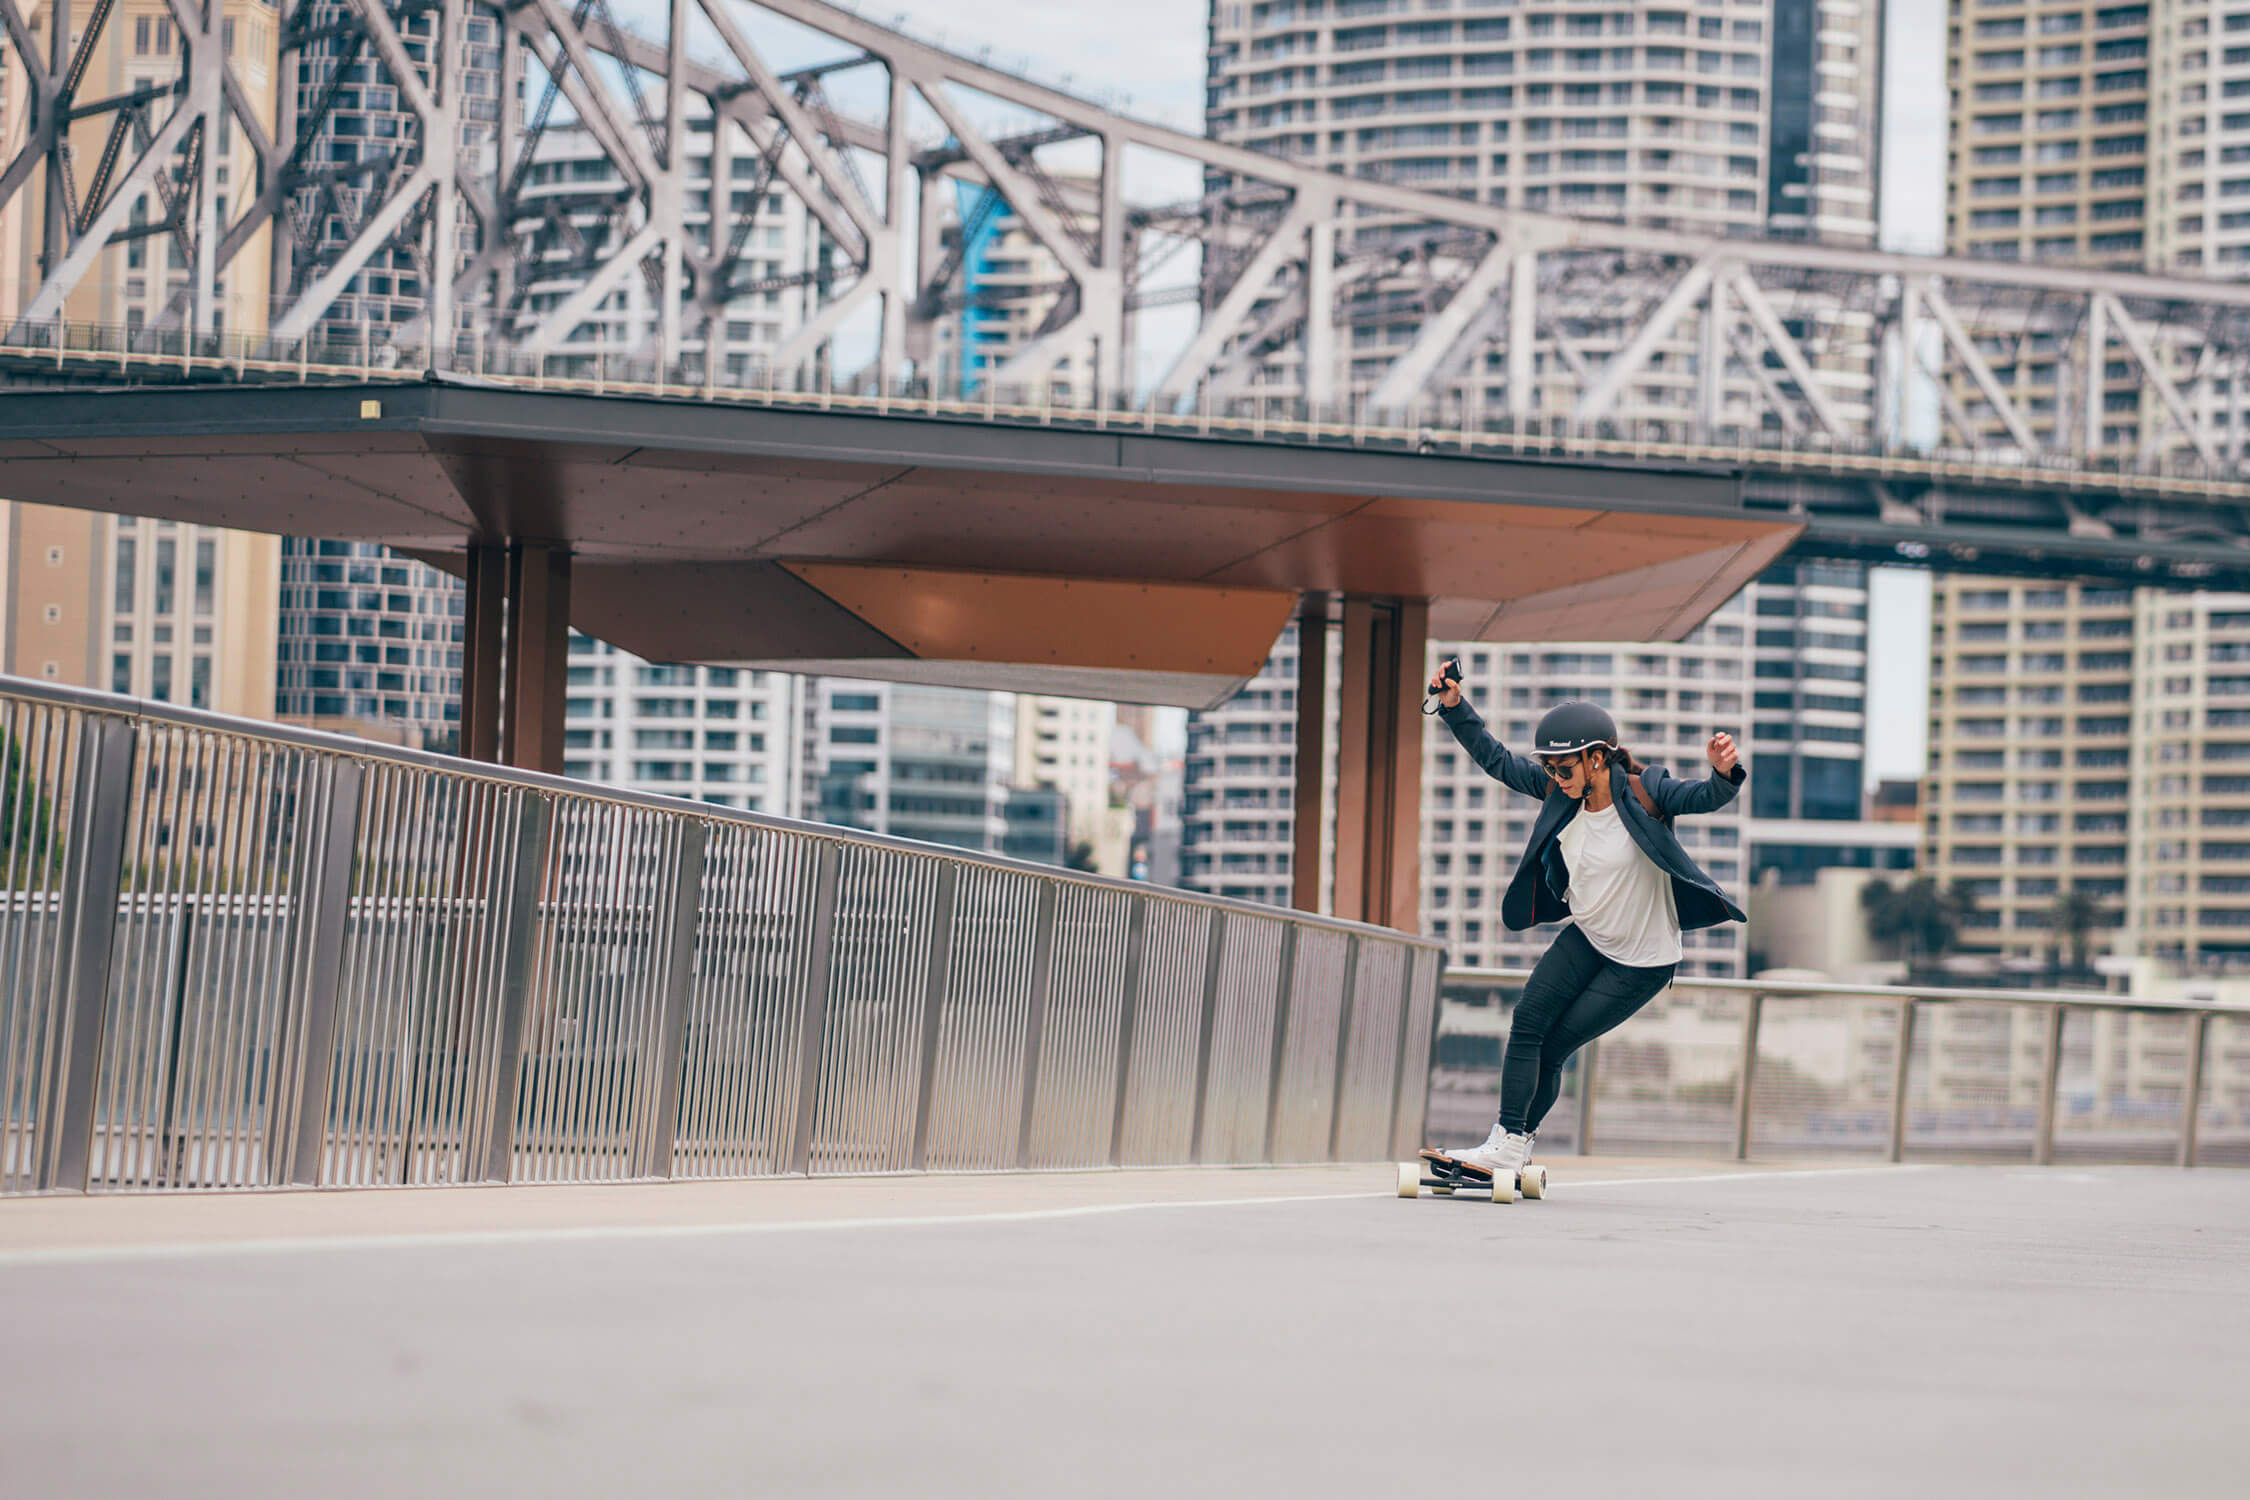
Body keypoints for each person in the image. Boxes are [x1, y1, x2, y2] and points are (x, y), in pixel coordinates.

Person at [1426, 658, 1747, 1183]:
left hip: (1642, 961)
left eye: (1565, 768)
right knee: (1527, 1024)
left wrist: (1722, 770)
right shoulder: (1559, 795)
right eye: (1549, 769)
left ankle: (1511, 1147)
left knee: (1554, 1046)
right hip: (1589, 937)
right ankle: (1505, 1144)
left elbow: (1705, 795)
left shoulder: (1648, 791)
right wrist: (1455, 708)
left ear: (1597, 758)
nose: (1556, 778)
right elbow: (1497, 760)